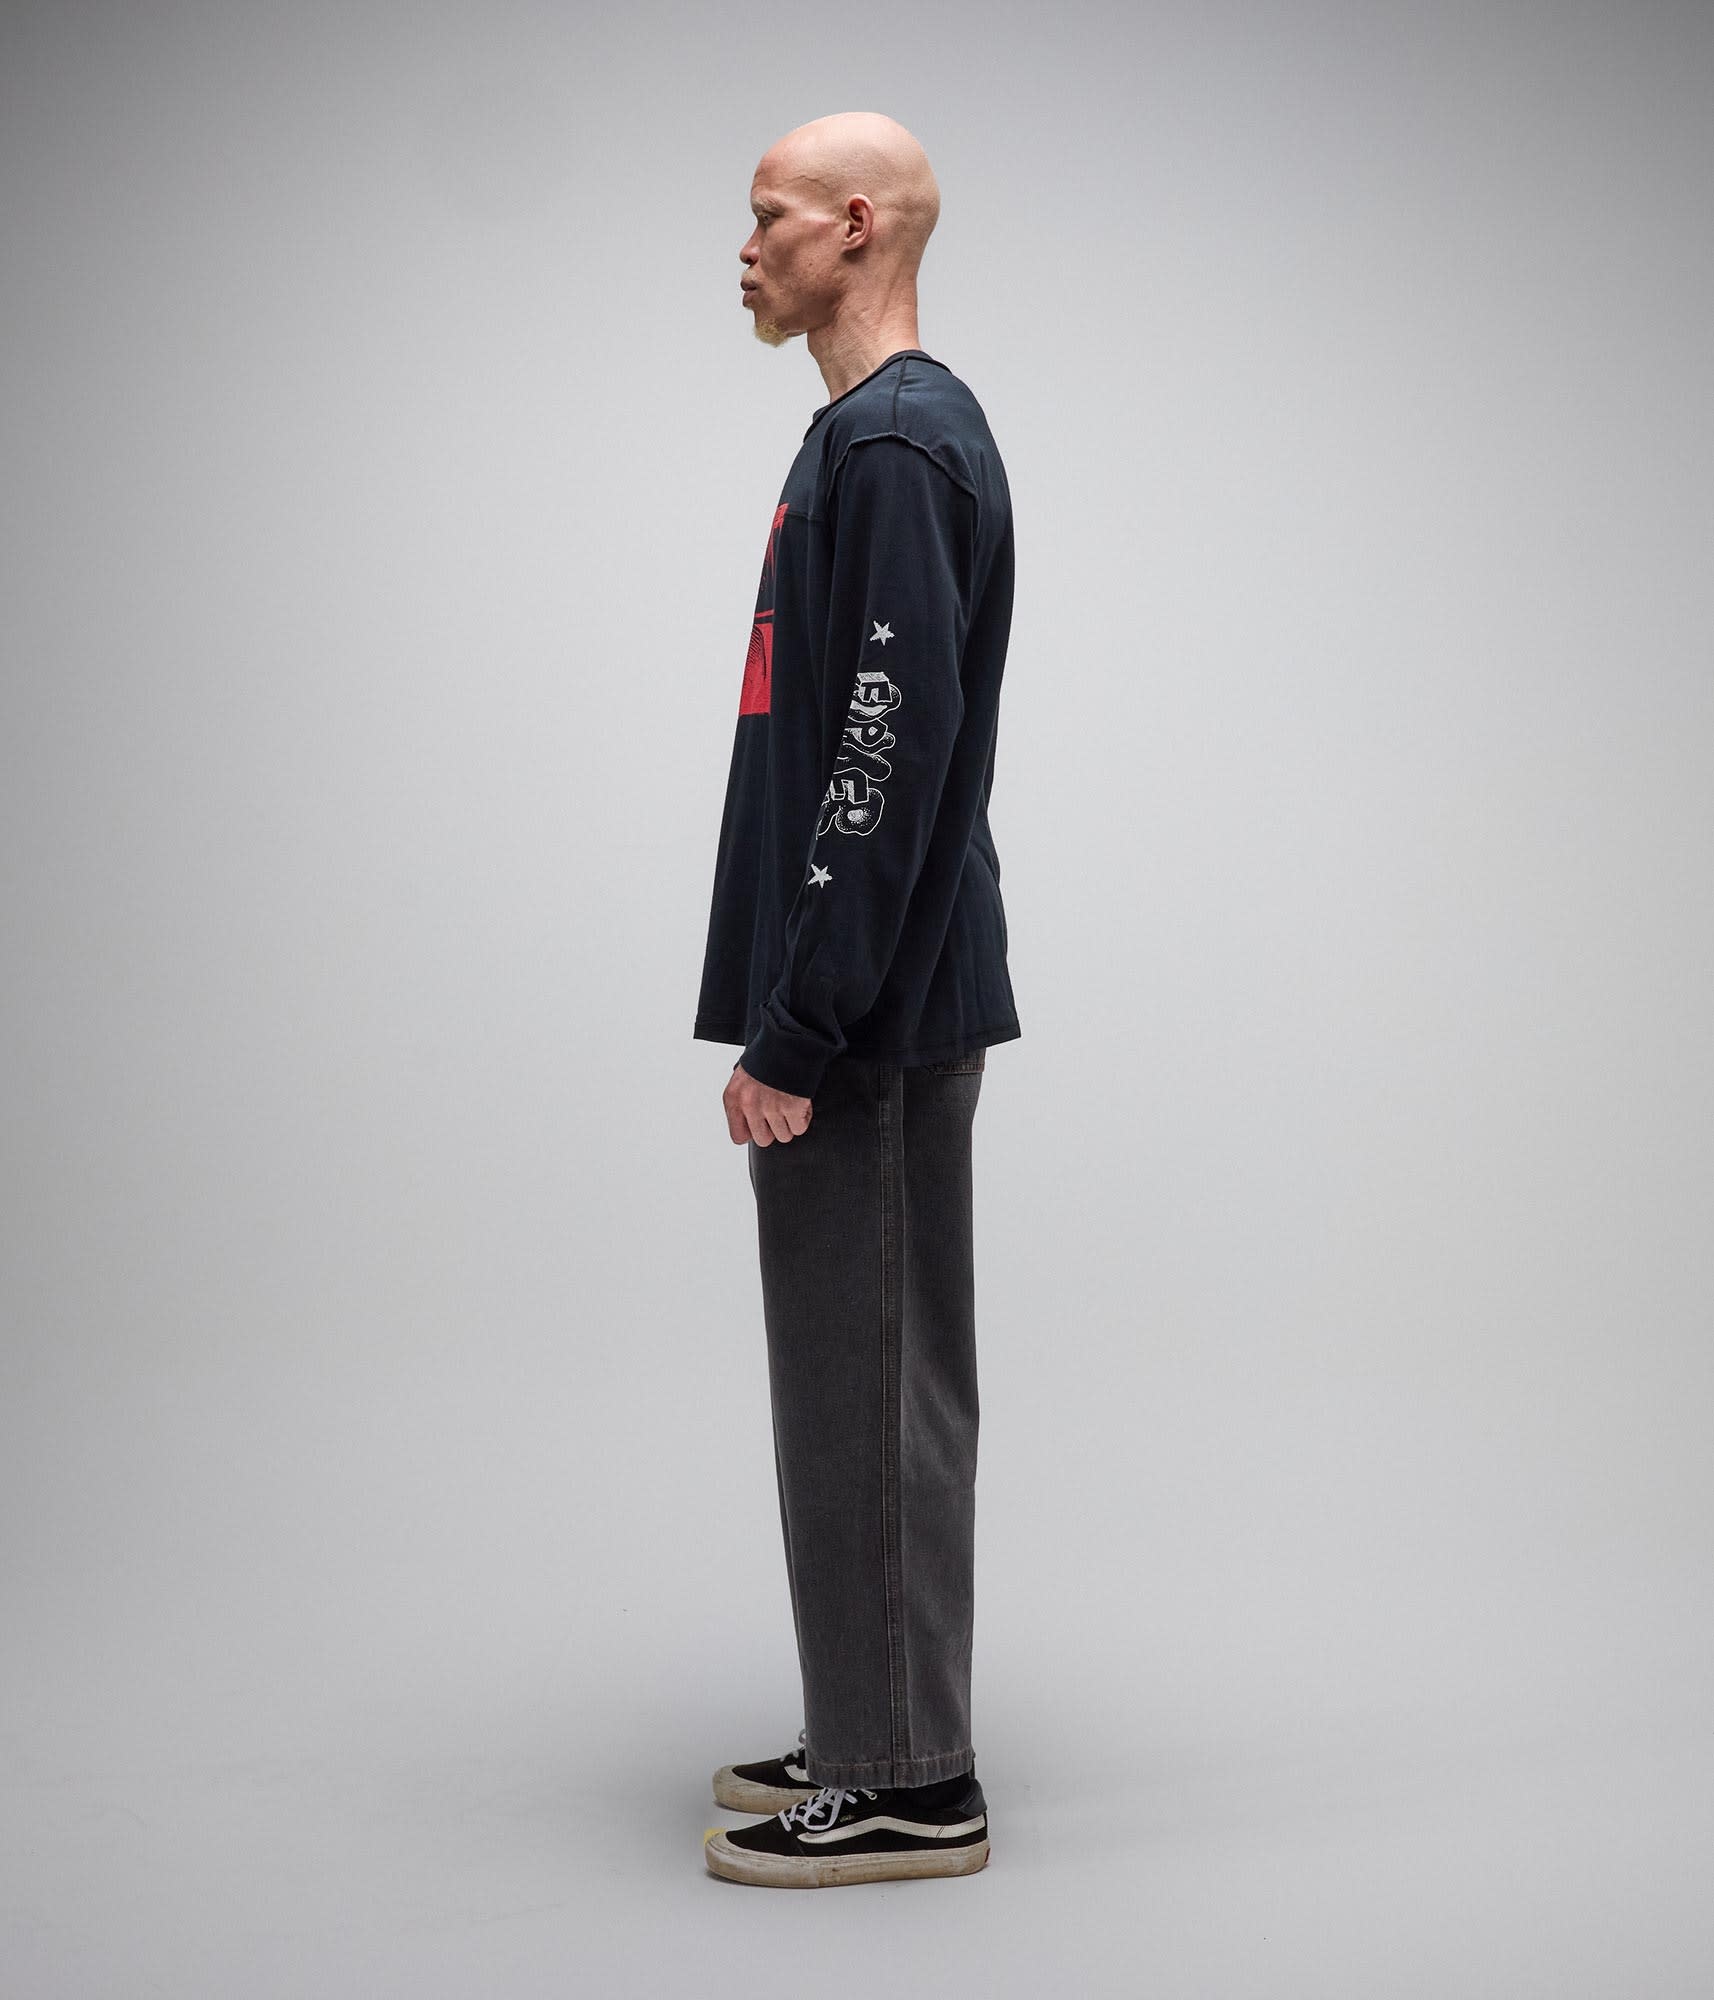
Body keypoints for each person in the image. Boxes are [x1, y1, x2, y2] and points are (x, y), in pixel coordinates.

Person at [693, 110, 1020, 1890]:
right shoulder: (872, 437)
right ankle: (869, 1721)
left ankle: (907, 1778)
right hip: (869, 997)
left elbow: (880, 765)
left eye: (767, 217)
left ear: (855, 223)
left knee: (869, 1389)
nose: (742, 249)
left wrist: (799, 1027)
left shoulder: (894, 444)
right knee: (855, 1386)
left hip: (869, 1019)